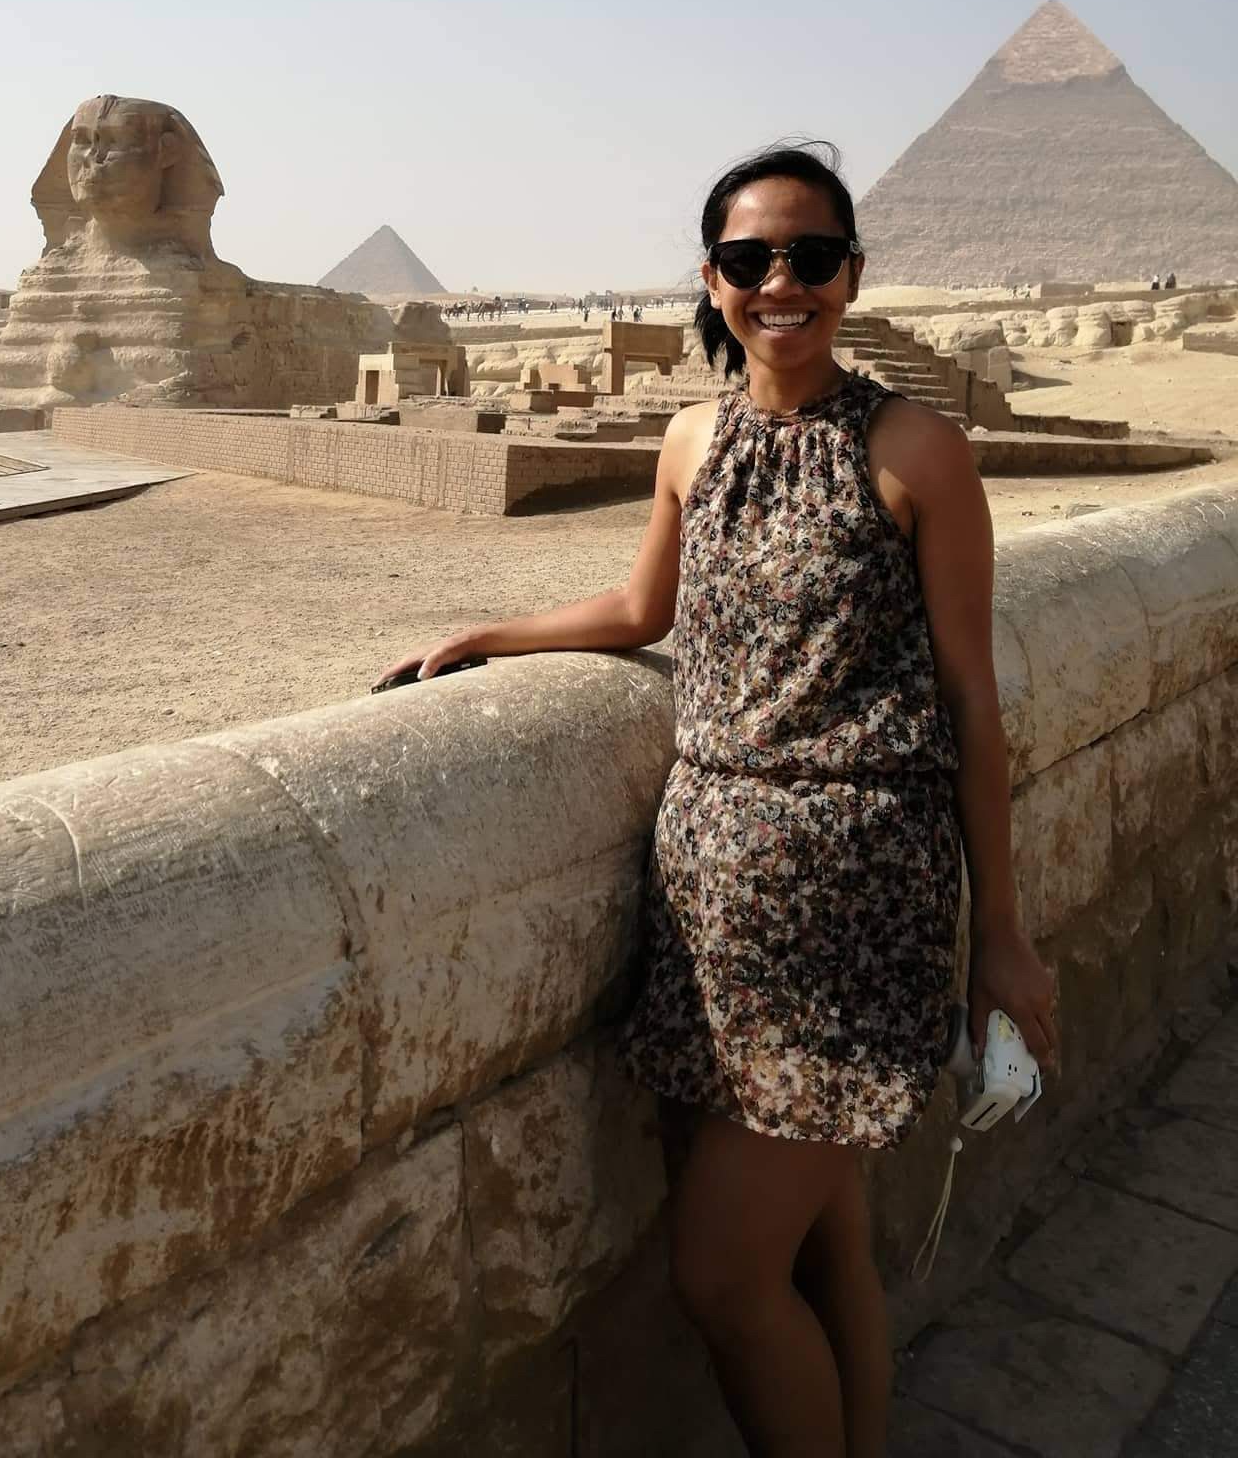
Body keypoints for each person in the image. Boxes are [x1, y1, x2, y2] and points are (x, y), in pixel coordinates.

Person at [378, 140, 1055, 1457]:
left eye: (810, 257)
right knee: (826, 1242)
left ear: (852, 274)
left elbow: (975, 703)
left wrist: (1005, 940)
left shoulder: (919, 450)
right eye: (752, 261)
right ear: (714, 277)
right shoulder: (694, 438)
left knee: (722, 1277)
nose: (781, 283)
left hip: (858, 906)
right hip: (712, 912)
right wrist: (490, 635)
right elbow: (645, 610)